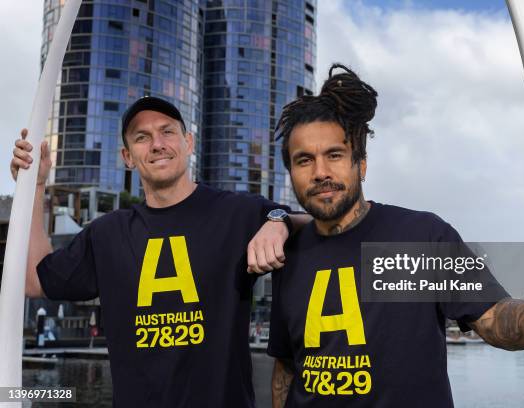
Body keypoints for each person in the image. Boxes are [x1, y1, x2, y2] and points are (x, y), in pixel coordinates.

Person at [267, 64, 524, 407]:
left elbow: (500, 324)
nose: (321, 172)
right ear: (291, 171)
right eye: (304, 160)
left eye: (334, 155)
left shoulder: (422, 237)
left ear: (361, 164)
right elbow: (286, 370)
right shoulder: (288, 254)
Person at [10, 96, 310, 407]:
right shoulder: (107, 234)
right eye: (142, 137)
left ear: (188, 142)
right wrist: (35, 186)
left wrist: (280, 220)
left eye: (167, 131)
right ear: (128, 157)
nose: (157, 144)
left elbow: (323, 225)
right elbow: (33, 280)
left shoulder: (237, 213)